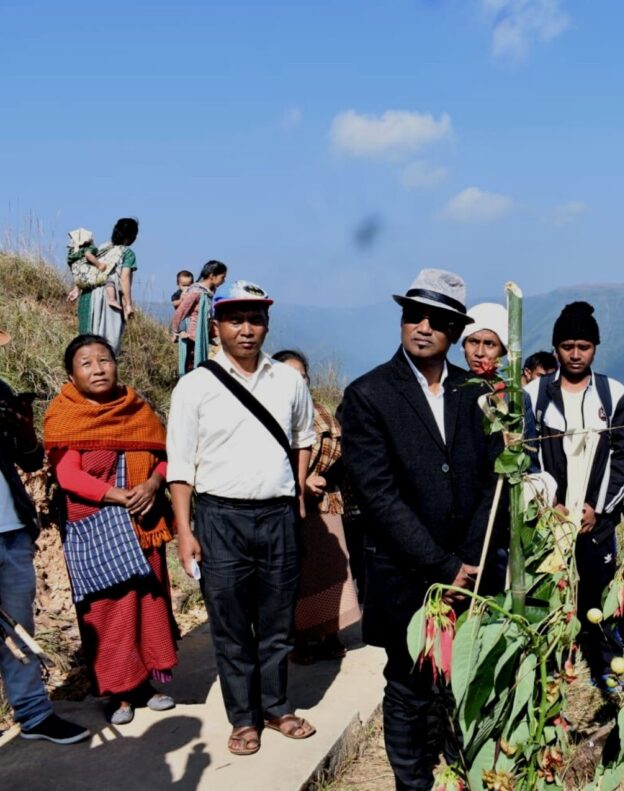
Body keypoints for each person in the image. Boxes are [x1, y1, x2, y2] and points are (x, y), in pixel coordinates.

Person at [340, 268, 502, 790]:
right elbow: (377, 495)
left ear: (455, 331)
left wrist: (471, 558)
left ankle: (462, 770)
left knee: (464, 677)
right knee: (409, 686)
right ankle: (413, 783)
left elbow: (493, 481)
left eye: (438, 319)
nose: (423, 327)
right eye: (414, 315)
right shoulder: (369, 395)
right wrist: (442, 565)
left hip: (471, 570)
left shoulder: (475, 391)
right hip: (406, 572)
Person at [167, 280, 317, 757]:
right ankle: (244, 719)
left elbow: (304, 437)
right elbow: (181, 466)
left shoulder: (288, 381)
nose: (247, 329)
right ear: (217, 327)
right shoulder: (194, 386)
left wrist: (296, 492)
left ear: (267, 325)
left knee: (277, 622)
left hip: (277, 516)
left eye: (255, 319)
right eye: (236, 320)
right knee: (230, 624)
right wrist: (185, 531)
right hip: (220, 517)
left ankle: (276, 707)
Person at [43, 334, 179, 725]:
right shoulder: (65, 415)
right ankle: (118, 693)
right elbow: (67, 475)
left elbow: (165, 457)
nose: (98, 368)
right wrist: (116, 495)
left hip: (143, 526)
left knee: (148, 604)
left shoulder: (137, 409)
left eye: (104, 360)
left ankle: (147, 685)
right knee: (108, 611)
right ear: (71, 374)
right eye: (86, 363)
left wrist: (153, 484)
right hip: (96, 529)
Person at [523, 301, 624, 690]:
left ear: (595, 348)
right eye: (567, 345)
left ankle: (606, 668)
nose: (575, 354)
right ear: (555, 347)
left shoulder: (613, 394)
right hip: (548, 521)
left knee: (598, 596)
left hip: (596, 523)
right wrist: (546, 503)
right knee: (549, 596)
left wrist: (600, 508)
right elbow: (525, 454)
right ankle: (549, 672)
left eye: (584, 346)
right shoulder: (536, 394)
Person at [0, 329, 90, 744]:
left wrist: (24, 433)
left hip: (12, 530)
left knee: (20, 628)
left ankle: (34, 714)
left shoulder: (0, 390)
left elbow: (31, 459)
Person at [271, 350, 360, 664]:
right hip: (283, 508)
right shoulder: (268, 417)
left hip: (325, 503)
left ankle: (330, 632)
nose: (296, 381)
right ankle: (299, 639)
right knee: (297, 576)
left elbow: (340, 455)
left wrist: (318, 477)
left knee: (331, 571)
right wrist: (300, 482)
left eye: (301, 375)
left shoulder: (321, 413)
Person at [71, 217, 140, 355]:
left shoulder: (101, 248)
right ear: (131, 236)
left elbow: (86, 270)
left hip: (88, 295)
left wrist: (76, 288)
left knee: (85, 341)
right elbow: (124, 279)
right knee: (108, 342)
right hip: (109, 298)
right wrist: (128, 305)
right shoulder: (127, 253)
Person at [169, 260, 228, 376]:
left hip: (201, 336)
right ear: (212, 276)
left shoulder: (209, 292)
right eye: (222, 277)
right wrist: (176, 332)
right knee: (191, 370)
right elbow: (181, 312)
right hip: (191, 338)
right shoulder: (196, 292)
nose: (224, 280)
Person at [460, 302, 507, 381]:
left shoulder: (513, 392)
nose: (479, 353)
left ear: (502, 351)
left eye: (489, 344)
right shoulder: (448, 389)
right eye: (474, 342)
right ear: (464, 346)